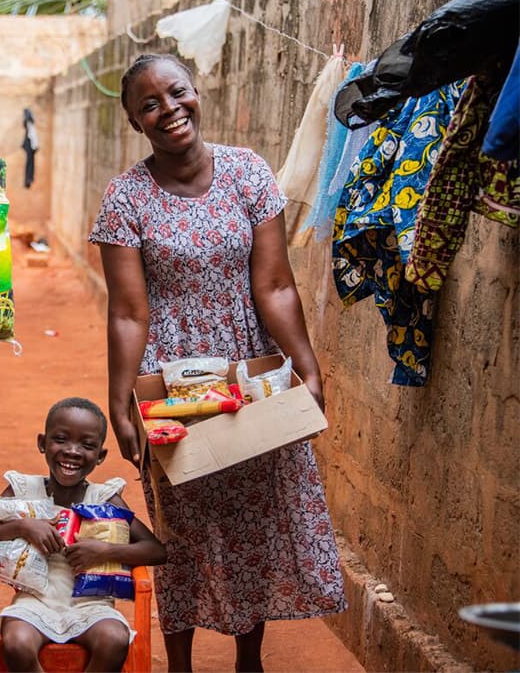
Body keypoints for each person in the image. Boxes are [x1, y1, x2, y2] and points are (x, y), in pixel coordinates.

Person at [88, 53, 347, 672]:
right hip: (173, 378)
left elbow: (277, 285)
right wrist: (120, 402)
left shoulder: (248, 173)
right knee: (182, 519)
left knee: (255, 511)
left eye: (176, 93)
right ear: (134, 121)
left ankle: (247, 658)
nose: (168, 110)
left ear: (196, 92)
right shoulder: (126, 198)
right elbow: (127, 312)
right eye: (149, 105)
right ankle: (179, 660)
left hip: (247, 366)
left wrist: (306, 369)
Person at [0, 397, 167, 673]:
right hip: (33, 603)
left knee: (114, 639)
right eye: (61, 439)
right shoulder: (23, 490)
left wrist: (105, 551)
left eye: (87, 445)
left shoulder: (104, 499)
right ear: (42, 443)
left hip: (92, 605)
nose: (72, 451)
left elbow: (155, 550)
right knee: (17, 643)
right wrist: (23, 526)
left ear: (101, 456)